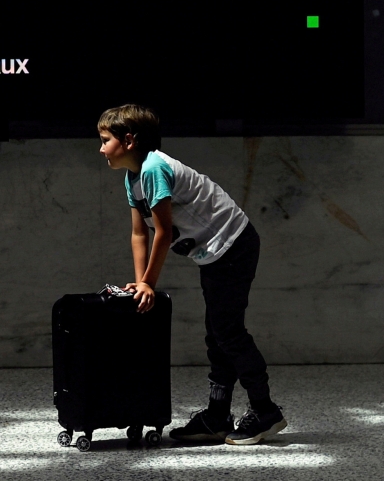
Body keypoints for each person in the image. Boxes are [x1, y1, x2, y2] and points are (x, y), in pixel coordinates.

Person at [97, 103, 286, 446]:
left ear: (128, 141)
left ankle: (265, 410)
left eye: (105, 140)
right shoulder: (133, 177)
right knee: (217, 334)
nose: (101, 149)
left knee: (228, 333)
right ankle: (217, 416)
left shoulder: (154, 168)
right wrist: (141, 282)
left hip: (233, 244)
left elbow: (163, 233)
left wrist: (149, 282)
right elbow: (139, 233)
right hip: (214, 254)